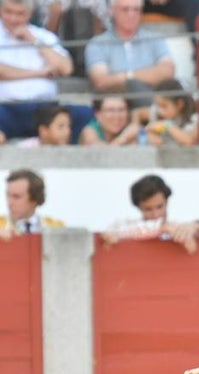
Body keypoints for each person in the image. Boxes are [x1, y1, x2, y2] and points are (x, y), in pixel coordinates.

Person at [0, 0, 92, 142]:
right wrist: (40, 73)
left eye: (20, 14)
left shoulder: (43, 36)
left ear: (30, 14)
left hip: (45, 107)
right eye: (8, 12)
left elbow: (66, 68)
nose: (13, 19)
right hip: (6, 107)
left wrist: (33, 40)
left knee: (85, 114)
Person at [84, 0, 175, 115]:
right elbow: (101, 81)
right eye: (125, 9)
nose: (131, 14)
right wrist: (144, 77)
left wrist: (127, 76)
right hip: (116, 107)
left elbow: (168, 72)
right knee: (133, 87)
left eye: (136, 10)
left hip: (152, 99)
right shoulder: (98, 44)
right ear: (112, 11)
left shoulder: (155, 39)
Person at [103, 174, 199, 253]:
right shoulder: (126, 226)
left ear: (167, 202)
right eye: (148, 209)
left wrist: (197, 225)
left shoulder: (178, 228)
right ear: (139, 208)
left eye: (160, 207)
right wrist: (162, 228)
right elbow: (109, 234)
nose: (156, 214)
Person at [0, 168, 64, 236]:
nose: (10, 202)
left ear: (34, 198)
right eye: (8, 195)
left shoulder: (56, 228)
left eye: (16, 197)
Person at [143, 77, 199, 145]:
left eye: (164, 106)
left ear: (179, 104)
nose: (160, 111)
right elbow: (138, 113)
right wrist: (149, 133)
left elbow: (189, 141)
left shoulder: (193, 118)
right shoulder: (156, 112)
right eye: (158, 105)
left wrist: (167, 125)